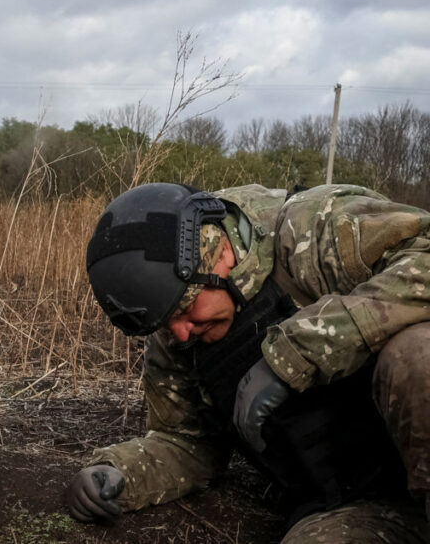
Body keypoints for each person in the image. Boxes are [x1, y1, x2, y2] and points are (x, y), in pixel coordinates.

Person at [68, 182, 430, 542]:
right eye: (164, 322)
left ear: (221, 252)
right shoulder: (178, 338)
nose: (180, 332)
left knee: (417, 357)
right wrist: (119, 474)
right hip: (359, 501)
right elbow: (187, 441)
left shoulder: (312, 230)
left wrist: (297, 352)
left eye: (184, 308)